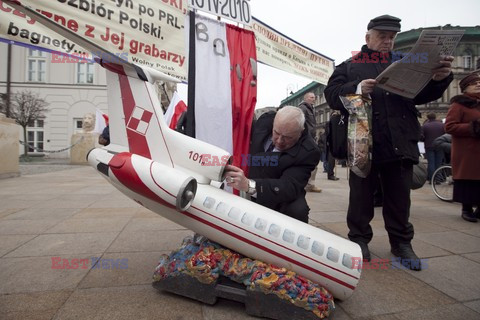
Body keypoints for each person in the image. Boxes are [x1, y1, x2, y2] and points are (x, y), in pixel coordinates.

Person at [324, 14, 454, 270]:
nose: (387, 42)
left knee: (399, 197)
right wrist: (358, 87)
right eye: (382, 36)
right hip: (363, 141)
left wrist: (440, 80)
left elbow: (421, 95)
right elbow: (331, 95)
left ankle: (402, 243)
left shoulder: (405, 62)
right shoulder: (349, 66)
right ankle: (359, 239)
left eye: (391, 37)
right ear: (367, 37)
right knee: (361, 196)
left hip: (399, 138)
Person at [224, 106, 321, 223]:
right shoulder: (264, 122)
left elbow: (288, 186)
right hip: (247, 177)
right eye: (276, 133)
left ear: (300, 132)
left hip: (276, 191)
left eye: (287, 137)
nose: (279, 141)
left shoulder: (308, 151)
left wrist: (250, 185)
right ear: (274, 122)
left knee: (297, 210)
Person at [445, 72, 480, 222]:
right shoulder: (458, 105)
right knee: (468, 181)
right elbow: (450, 126)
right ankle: (466, 209)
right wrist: (473, 127)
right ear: (465, 88)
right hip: (467, 151)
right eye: (474, 83)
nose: (478, 85)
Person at [298, 92, 322, 192]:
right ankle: (308, 184)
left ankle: (308, 184)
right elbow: (299, 122)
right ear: (306, 98)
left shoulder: (311, 108)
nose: (314, 99)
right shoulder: (303, 108)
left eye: (314, 97)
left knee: (311, 161)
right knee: (312, 160)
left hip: (311, 138)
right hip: (307, 139)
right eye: (312, 97)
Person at [421, 112, 445, 181]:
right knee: (439, 163)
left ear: (428, 117)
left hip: (429, 145)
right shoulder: (442, 125)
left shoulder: (425, 126)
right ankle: (438, 178)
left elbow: (421, 136)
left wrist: (424, 140)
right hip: (440, 145)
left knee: (431, 163)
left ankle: (432, 178)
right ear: (435, 117)